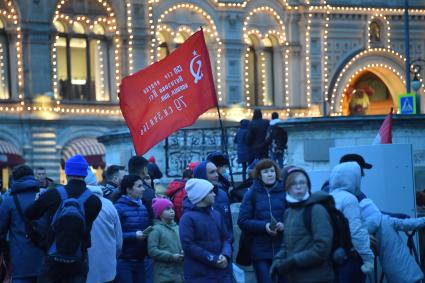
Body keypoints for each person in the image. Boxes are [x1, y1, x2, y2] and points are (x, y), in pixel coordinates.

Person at [25, 154, 102, 283]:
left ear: (67, 173)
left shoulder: (53, 193)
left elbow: (29, 214)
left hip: (53, 255)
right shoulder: (95, 201)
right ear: (85, 174)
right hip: (79, 257)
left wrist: (41, 241)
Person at [270, 167, 334, 283]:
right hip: (296, 277)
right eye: (293, 183)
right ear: (287, 188)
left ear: (308, 185)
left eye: (302, 182)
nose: (298, 186)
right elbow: (286, 244)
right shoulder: (289, 212)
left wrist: (294, 261)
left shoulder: (316, 209)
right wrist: (278, 260)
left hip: (318, 278)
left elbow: (322, 247)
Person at [237, 159, 286, 283]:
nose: (270, 174)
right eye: (266, 172)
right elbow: (242, 220)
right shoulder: (251, 193)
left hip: (283, 249)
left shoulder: (285, 191)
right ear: (259, 175)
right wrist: (265, 226)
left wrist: (284, 225)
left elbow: (293, 216)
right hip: (260, 251)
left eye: (272, 171)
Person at [359, 197, 425, 283]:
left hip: (390, 270)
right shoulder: (386, 220)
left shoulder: (364, 231)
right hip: (405, 265)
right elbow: (409, 224)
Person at [179, 178, 232, 282]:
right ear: (201, 195)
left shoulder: (216, 214)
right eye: (210, 192)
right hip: (199, 275)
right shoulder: (187, 218)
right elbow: (188, 246)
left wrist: (226, 254)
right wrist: (213, 259)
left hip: (221, 274)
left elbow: (226, 238)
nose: (214, 194)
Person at [329, 162, 374, 283]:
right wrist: (368, 257)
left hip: (333, 257)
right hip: (351, 258)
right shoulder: (349, 199)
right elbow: (356, 231)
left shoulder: (329, 197)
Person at [0, 165, 45, 283]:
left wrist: (5, 255)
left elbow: (1, 233)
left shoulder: (9, 201)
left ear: (15, 179)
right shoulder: (44, 197)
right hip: (44, 263)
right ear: (32, 177)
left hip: (20, 264)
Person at [86, 169, 123, 283]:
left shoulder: (71, 204)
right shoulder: (108, 205)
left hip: (81, 270)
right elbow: (118, 242)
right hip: (107, 270)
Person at [114, 174, 152, 283]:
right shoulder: (118, 208)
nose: (143, 189)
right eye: (139, 186)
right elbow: (114, 234)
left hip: (141, 259)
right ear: (129, 190)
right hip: (124, 260)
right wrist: (134, 235)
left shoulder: (143, 206)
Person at [193, 161, 233, 240]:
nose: (217, 175)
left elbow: (228, 223)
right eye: (212, 172)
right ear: (202, 175)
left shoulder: (223, 195)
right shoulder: (193, 197)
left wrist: (229, 244)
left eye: (216, 171)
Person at [148, 198, 184, 283]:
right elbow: (152, 250)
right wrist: (171, 256)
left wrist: (183, 251)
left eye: (172, 208)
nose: (172, 211)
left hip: (179, 273)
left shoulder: (177, 228)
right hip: (163, 275)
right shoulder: (156, 230)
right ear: (159, 213)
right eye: (167, 209)